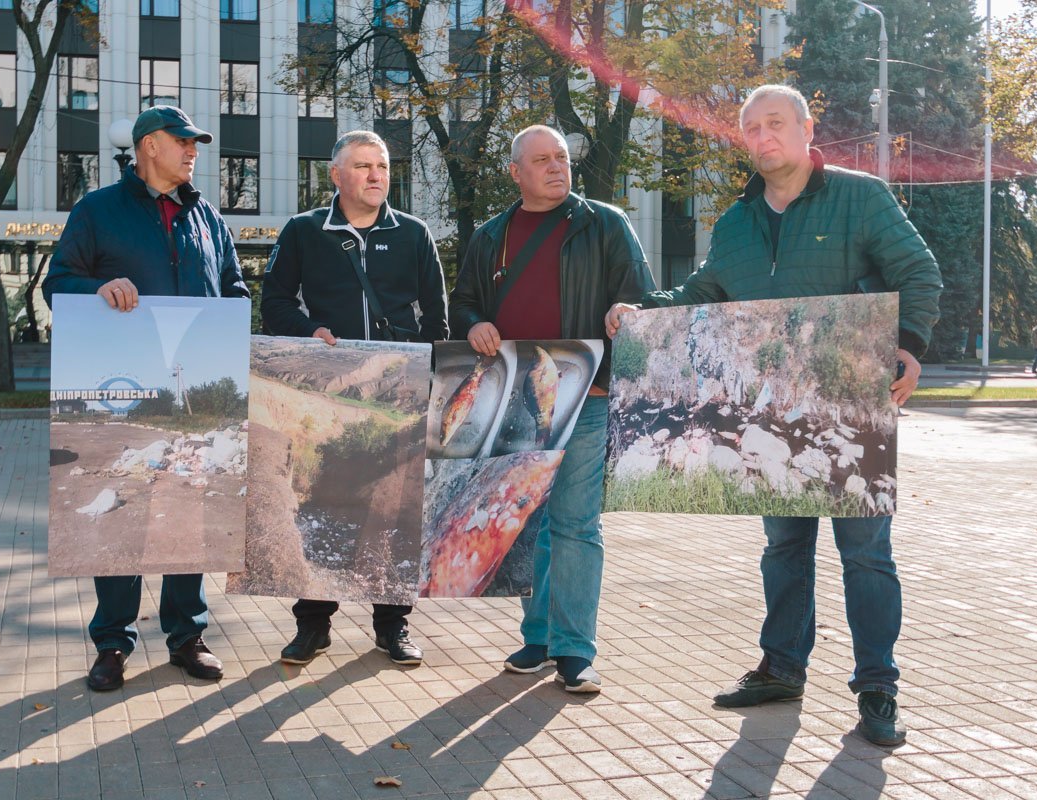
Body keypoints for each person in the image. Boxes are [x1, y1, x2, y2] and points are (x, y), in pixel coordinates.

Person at [606, 85, 942, 744]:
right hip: (769, 412)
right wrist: (642, 310)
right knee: (783, 547)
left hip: (850, 406)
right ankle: (782, 667)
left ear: (806, 129)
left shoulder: (860, 196)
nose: (764, 137)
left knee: (866, 556)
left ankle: (878, 686)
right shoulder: (736, 223)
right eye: (752, 127)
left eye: (776, 123)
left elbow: (919, 273)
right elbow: (702, 293)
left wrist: (910, 346)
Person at [43, 105, 249, 692]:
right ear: (148, 146)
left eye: (196, 144)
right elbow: (57, 283)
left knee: (189, 504)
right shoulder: (97, 211)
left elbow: (232, 290)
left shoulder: (206, 215)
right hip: (125, 395)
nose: (193, 152)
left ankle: (186, 636)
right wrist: (96, 286)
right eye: (183, 142)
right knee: (122, 512)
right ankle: (112, 643)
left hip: (197, 390)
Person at [449, 125, 655, 693]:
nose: (556, 167)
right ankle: (537, 640)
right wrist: (474, 324)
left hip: (586, 396)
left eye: (562, 158)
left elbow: (643, 294)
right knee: (532, 523)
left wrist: (625, 309)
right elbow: (462, 301)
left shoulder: (605, 224)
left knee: (575, 524)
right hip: (516, 398)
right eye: (542, 160)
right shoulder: (492, 236)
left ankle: (573, 652)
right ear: (516, 172)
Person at [260, 130, 448, 666]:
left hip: (402, 393)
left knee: (396, 509)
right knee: (324, 498)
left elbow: (437, 316)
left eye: (383, 166)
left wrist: (426, 374)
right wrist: (308, 331)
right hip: (329, 392)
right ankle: (313, 624)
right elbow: (274, 301)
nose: (375, 175)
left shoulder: (413, 233)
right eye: (363, 166)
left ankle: (393, 626)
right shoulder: (303, 231)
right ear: (336, 176)